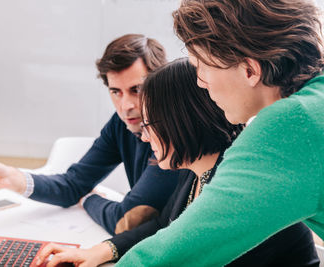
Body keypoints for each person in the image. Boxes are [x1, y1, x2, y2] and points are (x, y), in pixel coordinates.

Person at [34, 59, 319, 267]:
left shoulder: (241, 181)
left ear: (179, 122)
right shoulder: (196, 172)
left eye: (149, 126)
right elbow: (163, 226)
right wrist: (103, 250)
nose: (144, 138)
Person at [115, 0, 324, 266]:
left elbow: (174, 254)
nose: (200, 83)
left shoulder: (291, 125)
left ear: (250, 70)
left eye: (201, 67)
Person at [0, 34, 182, 235]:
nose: (125, 106)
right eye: (115, 92)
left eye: (137, 90)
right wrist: (14, 178)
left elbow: (127, 221)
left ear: (159, 83)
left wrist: (89, 198)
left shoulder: (176, 133)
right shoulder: (121, 124)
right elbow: (73, 184)